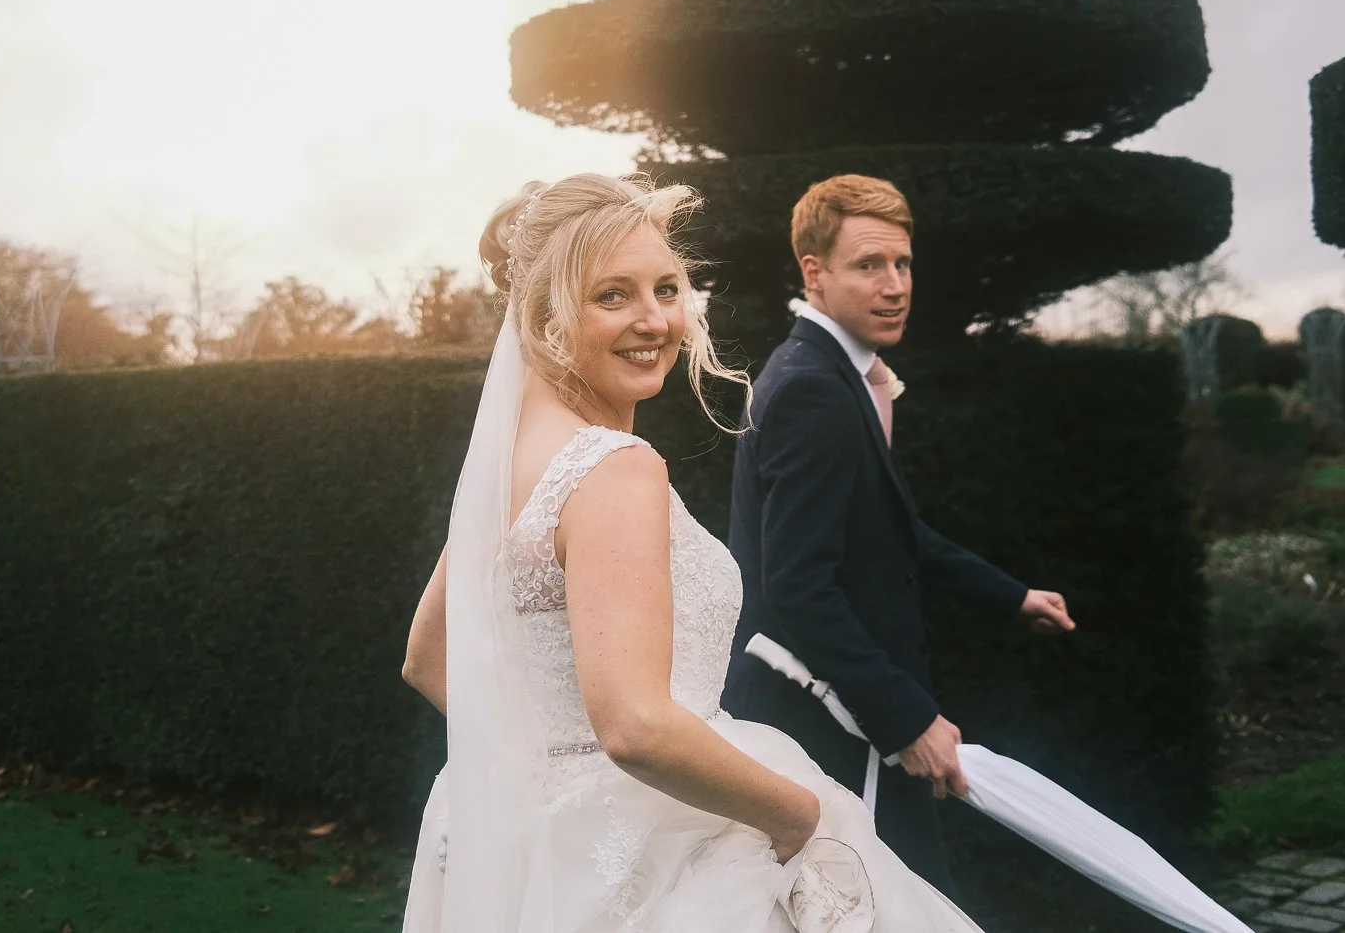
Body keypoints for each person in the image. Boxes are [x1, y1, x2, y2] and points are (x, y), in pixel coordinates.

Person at [399, 172, 985, 932]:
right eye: (613, 295)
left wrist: (542, 781)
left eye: (667, 289)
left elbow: (427, 656)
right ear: (545, 313)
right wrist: (801, 816)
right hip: (670, 856)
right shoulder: (613, 468)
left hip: (533, 851)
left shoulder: (507, 461)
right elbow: (637, 727)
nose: (655, 320)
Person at [723, 175, 1076, 899]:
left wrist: (1011, 596)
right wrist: (906, 719)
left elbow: (888, 529)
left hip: (848, 718)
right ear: (814, 273)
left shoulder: (839, 375)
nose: (895, 286)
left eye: (903, 263)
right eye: (868, 265)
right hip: (830, 728)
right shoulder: (814, 390)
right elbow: (797, 587)